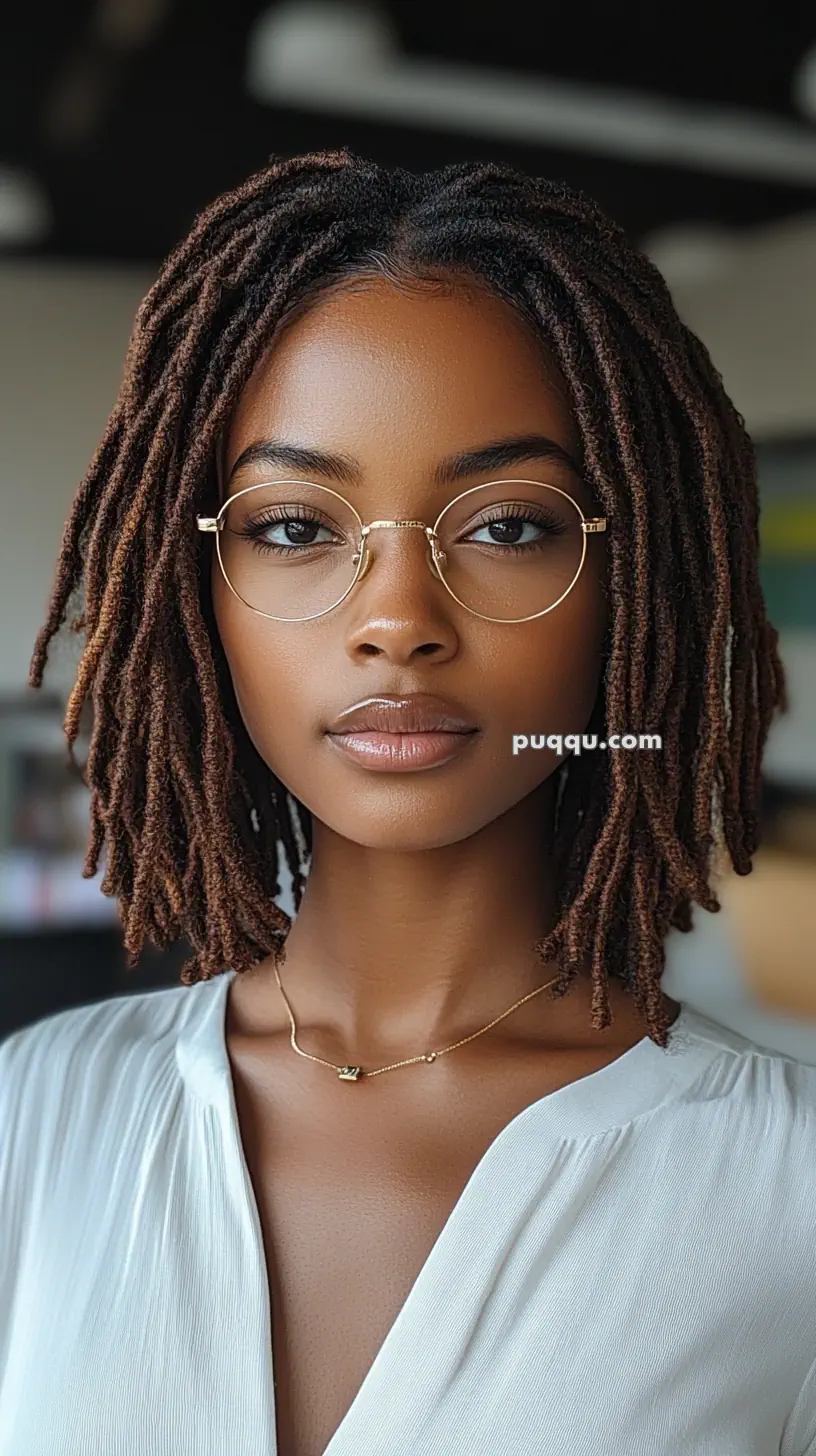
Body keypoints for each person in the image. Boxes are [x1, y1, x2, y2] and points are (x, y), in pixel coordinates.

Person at [2, 150, 814, 1456]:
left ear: (637, 585)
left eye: (505, 526)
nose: (396, 622)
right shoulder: (33, 1119)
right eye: (293, 526)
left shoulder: (788, 1197)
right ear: (194, 588)